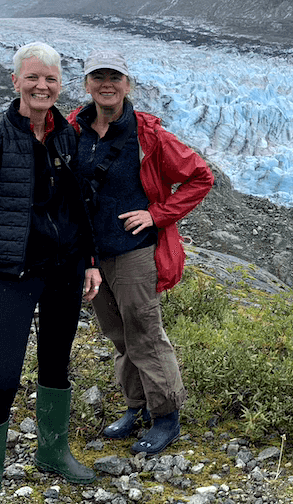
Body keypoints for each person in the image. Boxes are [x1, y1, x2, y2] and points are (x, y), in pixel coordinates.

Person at [0, 42, 103, 504]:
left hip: (63, 270)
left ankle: (52, 451)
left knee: (57, 365)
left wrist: (90, 261)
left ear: (61, 85)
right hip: (13, 276)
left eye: (52, 79)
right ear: (15, 81)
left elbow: (80, 203)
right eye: (33, 78)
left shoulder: (68, 134)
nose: (43, 87)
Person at [68, 49, 214, 456]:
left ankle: (166, 415)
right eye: (98, 76)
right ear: (87, 85)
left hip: (133, 251)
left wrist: (156, 214)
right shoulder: (73, 130)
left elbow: (201, 177)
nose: (106, 84)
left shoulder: (147, 135)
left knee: (144, 332)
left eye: (114, 77)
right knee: (118, 334)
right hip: (91, 256)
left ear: (127, 84)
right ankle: (136, 407)